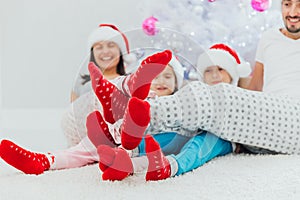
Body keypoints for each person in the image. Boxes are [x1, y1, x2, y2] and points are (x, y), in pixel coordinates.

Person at [0, 49, 175, 175]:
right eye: (156, 77)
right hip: (109, 134)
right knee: (80, 151)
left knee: (135, 117)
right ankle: (42, 160)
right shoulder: (142, 96)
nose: (161, 81)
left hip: (136, 144)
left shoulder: (174, 103)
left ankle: (119, 146)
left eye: (168, 77)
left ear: (177, 83)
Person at [95, 44, 252, 181]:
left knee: (198, 145)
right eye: (208, 71)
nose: (215, 75)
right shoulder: (197, 94)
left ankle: (172, 166)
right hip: (194, 129)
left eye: (221, 69)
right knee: (173, 137)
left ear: (233, 73)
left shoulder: (238, 94)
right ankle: (128, 160)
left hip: (222, 136)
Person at [61, 23, 133, 147]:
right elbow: (74, 117)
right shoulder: (82, 85)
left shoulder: (130, 81)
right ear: (92, 53)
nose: (105, 51)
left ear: (120, 51)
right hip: (88, 140)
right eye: (99, 47)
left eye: (111, 45)